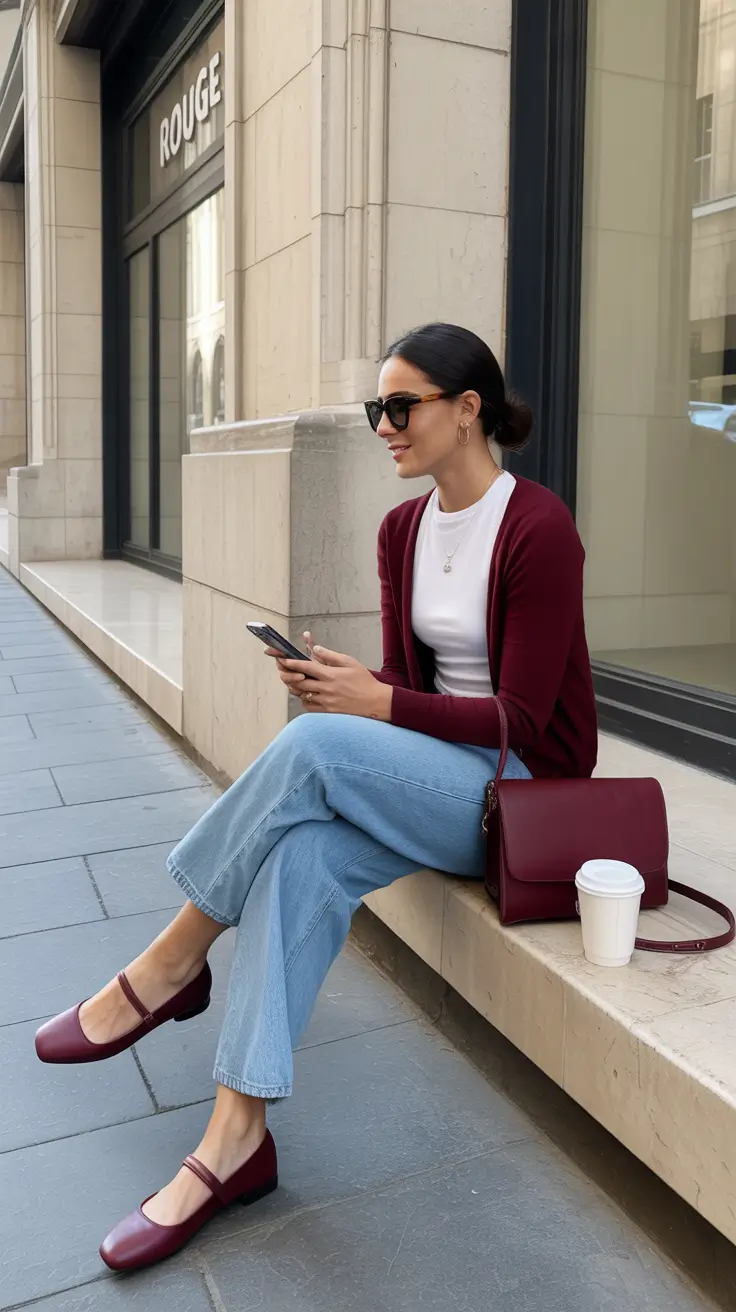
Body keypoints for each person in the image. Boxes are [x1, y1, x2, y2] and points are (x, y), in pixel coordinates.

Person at [35, 322, 598, 1271]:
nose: (385, 425)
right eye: (377, 408)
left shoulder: (538, 527)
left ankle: (171, 964)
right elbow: (412, 688)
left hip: (519, 796)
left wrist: (374, 703)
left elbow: (523, 719)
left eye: (402, 405)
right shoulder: (403, 529)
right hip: (434, 775)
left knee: (316, 748)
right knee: (301, 854)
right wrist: (355, 683)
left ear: (468, 411)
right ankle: (234, 1141)